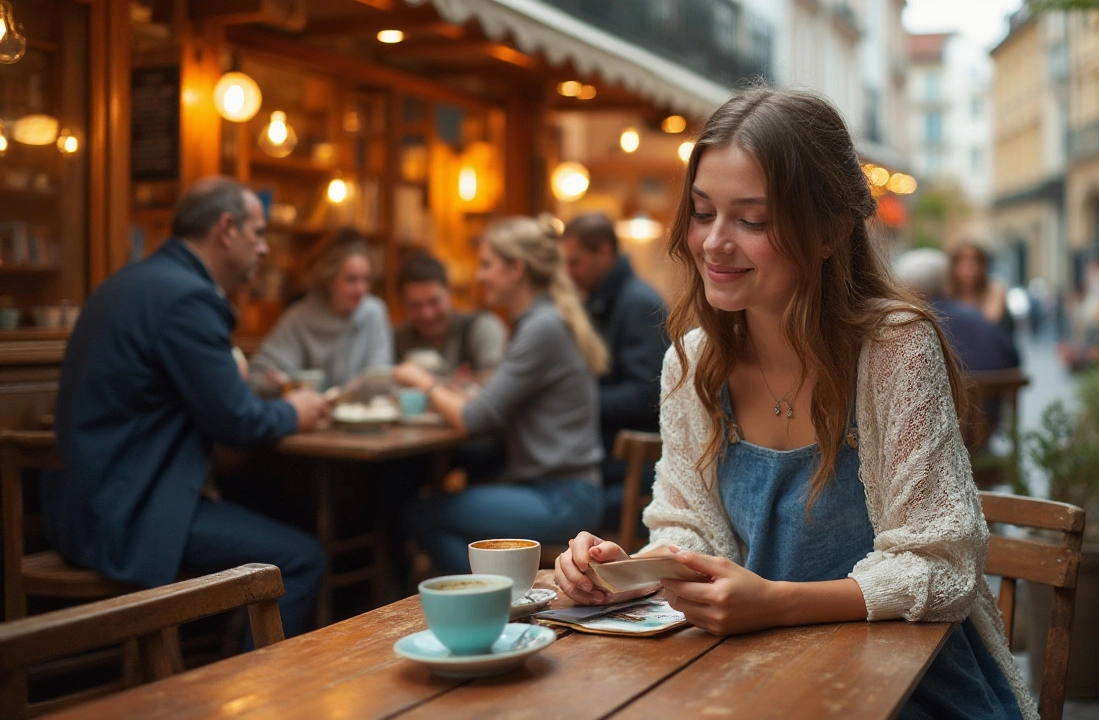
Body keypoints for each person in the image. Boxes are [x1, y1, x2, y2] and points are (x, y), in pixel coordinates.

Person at [553, 88, 1034, 719]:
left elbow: (942, 567)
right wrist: (629, 573)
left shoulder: (893, 349)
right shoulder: (692, 362)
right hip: (756, 677)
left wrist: (775, 603)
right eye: (702, 213)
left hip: (911, 684)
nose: (715, 244)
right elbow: (689, 529)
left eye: (751, 220)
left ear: (832, 230)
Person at [48, 177, 330, 638]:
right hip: (130, 516)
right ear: (226, 229)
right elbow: (238, 422)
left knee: (282, 504)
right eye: (257, 234)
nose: (263, 249)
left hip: (84, 505)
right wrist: (296, 411)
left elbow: (197, 400)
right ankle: (256, 702)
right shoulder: (187, 297)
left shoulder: (134, 280)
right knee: (302, 558)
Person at [394, 216, 610, 575]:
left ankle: (492, 602)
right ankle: (495, 596)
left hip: (562, 499)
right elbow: (495, 401)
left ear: (516, 269)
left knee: (421, 515)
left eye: (487, 265)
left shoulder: (542, 326)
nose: (478, 276)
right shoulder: (542, 320)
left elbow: (474, 419)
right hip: (558, 490)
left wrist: (421, 380)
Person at [559, 213, 669, 510]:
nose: (568, 272)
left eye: (575, 261)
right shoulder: (604, 299)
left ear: (604, 252)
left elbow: (647, 395)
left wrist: (573, 403)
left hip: (630, 461)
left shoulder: (638, 303)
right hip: (608, 451)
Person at [250, 228, 393, 393]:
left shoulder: (374, 312)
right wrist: (275, 380)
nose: (361, 289)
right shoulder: (300, 317)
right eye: (351, 279)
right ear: (329, 279)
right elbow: (262, 372)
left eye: (366, 279)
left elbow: (381, 375)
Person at [897, 248, 1020, 373]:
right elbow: (1013, 358)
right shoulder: (979, 319)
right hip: (996, 388)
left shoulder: (913, 327)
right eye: (963, 264)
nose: (970, 271)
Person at [393, 252, 507, 377]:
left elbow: (498, 385)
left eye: (434, 302)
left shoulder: (482, 328)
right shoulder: (400, 338)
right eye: (415, 305)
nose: (427, 314)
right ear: (402, 304)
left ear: (450, 293)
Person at [948, 241, 1012, 333]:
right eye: (963, 262)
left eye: (974, 262)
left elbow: (990, 322)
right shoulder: (947, 292)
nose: (970, 268)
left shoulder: (995, 290)